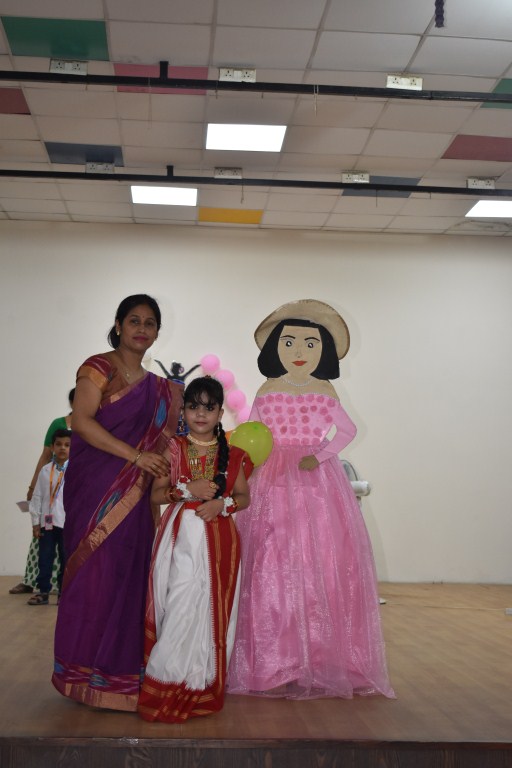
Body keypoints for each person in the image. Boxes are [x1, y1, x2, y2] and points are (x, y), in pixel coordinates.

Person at [227, 299, 395, 700]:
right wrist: (246, 469)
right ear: (276, 349)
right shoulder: (268, 389)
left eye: (309, 343)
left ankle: (318, 657)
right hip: (272, 481)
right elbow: (252, 431)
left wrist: (318, 456)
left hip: (315, 482)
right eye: (289, 343)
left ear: (323, 350)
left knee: (319, 559)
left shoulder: (324, 390)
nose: (299, 351)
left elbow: (347, 431)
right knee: (271, 560)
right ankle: (276, 658)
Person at [52, 294, 182, 711]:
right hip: (95, 488)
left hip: (138, 495)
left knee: (128, 575)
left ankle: (119, 677)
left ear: (157, 331)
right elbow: (81, 421)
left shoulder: (160, 389)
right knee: (95, 575)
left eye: (150, 323)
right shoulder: (98, 367)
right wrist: (135, 456)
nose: (142, 329)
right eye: (134, 320)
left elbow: (165, 442)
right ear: (119, 325)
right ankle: (80, 674)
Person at [138, 376, 252, 723]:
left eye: (209, 407)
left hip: (221, 542)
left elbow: (244, 497)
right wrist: (188, 491)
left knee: (210, 611)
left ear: (220, 413)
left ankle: (201, 685)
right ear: (184, 410)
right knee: (179, 605)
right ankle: (166, 682)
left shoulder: (234, 454)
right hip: (180, 542)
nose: (200, 414)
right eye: (193, 406)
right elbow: (156, 496)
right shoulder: (172, 449)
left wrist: (222, 505)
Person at [9, 389, 74, 595]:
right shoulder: (58, 424)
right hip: (50, 493)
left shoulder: (95, 425)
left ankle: (68, 588)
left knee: (68, 548)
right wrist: (32, 487)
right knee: (42, 541)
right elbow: (45, 455)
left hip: (73, 490)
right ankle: (32, 581)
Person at [27, 429, 71, 606]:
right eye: (58, 444)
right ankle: (43, 591)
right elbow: (37, 497)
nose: (62, 448)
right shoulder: (45, 471)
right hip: (47, 522)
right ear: (52, 447)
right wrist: (35, 523)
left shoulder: (75, 470)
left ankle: (63, 592)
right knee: (44, 557)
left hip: (67, 523)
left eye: (67, 445)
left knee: (66, 558)